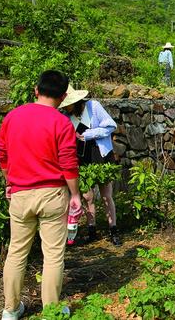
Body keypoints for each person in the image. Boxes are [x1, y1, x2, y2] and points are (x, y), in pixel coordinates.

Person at [0, 70, 81, 320]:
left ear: (36, 90)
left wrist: (9, 182)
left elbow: (2, 153)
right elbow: (68, 163)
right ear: (64, 96)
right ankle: (51, 312)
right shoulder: (62, 122)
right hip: (53, 194)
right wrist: (74, 194)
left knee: (16, 252)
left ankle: (10, 310)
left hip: (20, 193)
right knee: (53, 255)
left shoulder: (13, 117)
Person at [59, 85, 121, 246]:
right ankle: (91, 230)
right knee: (88, 197)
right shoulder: (66, 117)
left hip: (100, 155)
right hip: (82, 159)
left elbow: (110, 126)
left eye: (68, 103)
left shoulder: (93, 107)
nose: (66, 107)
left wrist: (87, 135)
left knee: (107, 195)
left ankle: (113, 230)